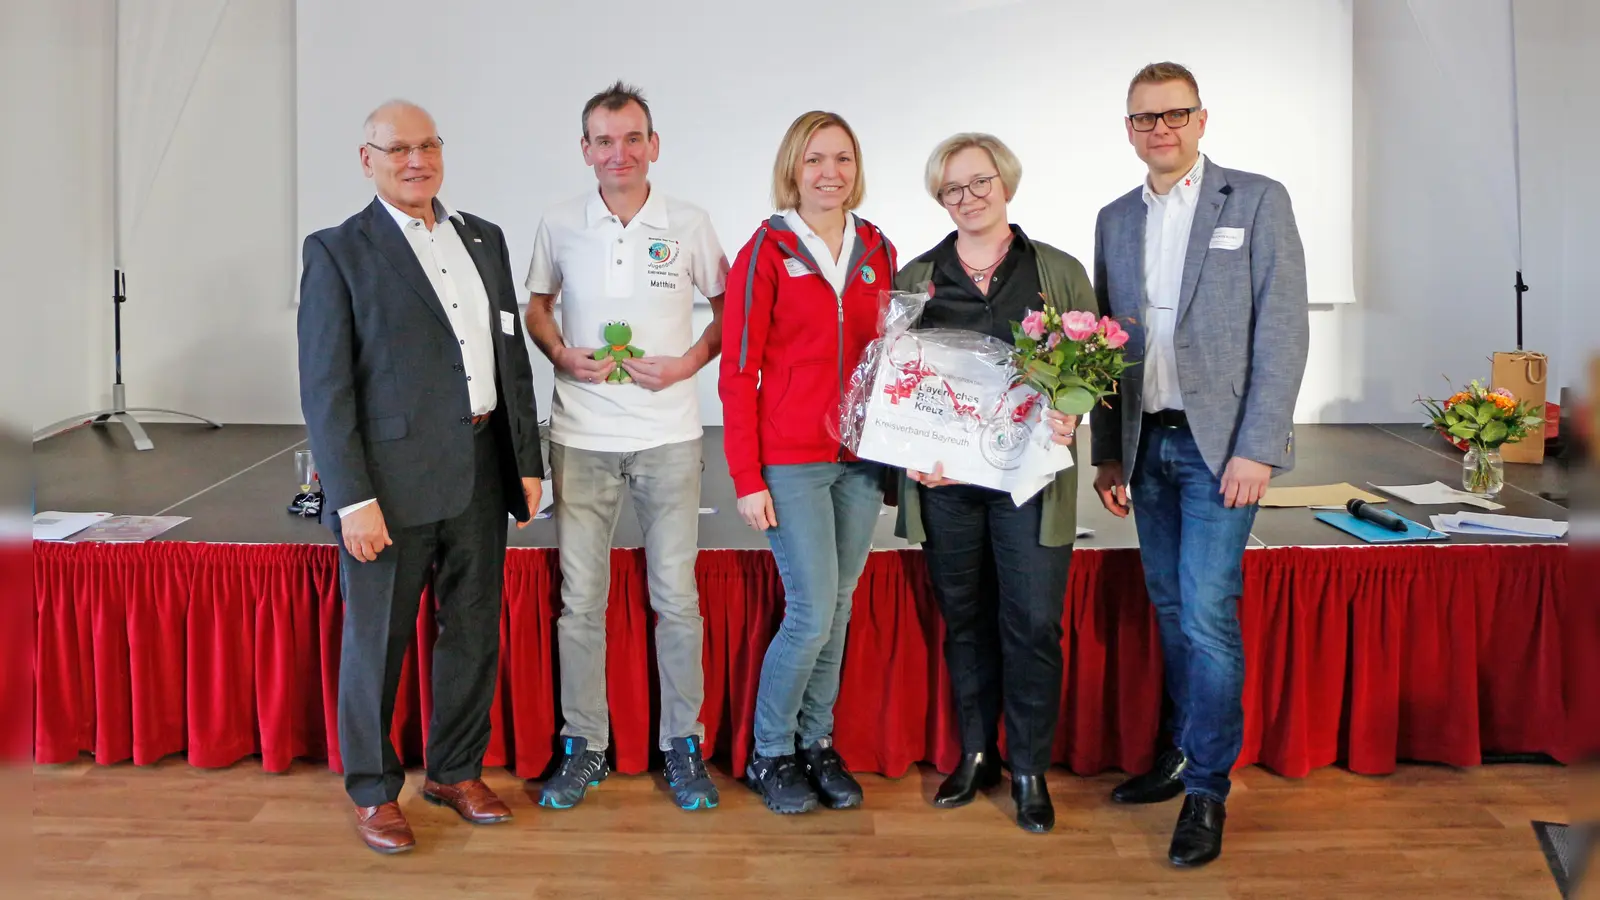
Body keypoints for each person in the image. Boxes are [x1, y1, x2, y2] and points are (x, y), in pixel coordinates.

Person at [297, 100, 544, 854]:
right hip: (389, 483)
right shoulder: (339, 250)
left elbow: (511, 360)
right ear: (365, 159)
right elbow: (326, 388)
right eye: (398, 147)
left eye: (429, 144)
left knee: (470, 630)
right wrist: (353, 499)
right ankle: (374, 790)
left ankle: (454, 769)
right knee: (378, 640)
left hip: (479, 465)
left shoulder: (485, 239)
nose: (417, 160)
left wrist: (525, 461)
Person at [1090, 62, 1309, 867]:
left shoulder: (1255, 200)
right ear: (1129, 130)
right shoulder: (1116, 218)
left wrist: (1257, 446)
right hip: (1147, 446)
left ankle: (1208, 792)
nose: (1161, 130)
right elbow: (1106, 348)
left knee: (1209, 613)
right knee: (1173, 609)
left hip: (1223, 452)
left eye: (1174, 115)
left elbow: (1282, 333)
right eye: (1145, 119)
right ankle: (1184, 753)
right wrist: (1107, 453)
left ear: (1201, 119)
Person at [523, 82, 729, 812]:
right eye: (604, 140)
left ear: (654, 145)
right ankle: (586, 747)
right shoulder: (559, 223)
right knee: (581, 600)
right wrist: (557, 353)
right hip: (580, 437)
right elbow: (537, 306)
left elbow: (732, 311)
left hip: (670, 436)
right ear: (586, 150)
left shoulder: (690, 223)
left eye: (633, 137)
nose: (619, 152)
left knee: (676, 597)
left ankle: (684, 747)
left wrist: (686, 365)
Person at [891, 133, 1093, 834]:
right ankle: (977, 752)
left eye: (980, 183)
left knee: (1033, 623)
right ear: (939, 198)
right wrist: (908, 450)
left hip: (1029, 482)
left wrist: (1073, 416)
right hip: (946, 484)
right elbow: (899, 383)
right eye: (953, 189)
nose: (968, 198)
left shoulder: (1057, 272)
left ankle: (1030, 766)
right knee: (966, 619)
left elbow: (1090, 371)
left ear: (1006, 183)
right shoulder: (917, 276)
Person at [720, 110, 897, 815]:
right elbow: (738, 372)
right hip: (789, 461)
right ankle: (771, 752)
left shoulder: (878, 247)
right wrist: (745, 476)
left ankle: (817, 743)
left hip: (858, 459)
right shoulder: (765, 249)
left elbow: (895, 359)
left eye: (843, 159)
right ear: (794, 167)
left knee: (842, 606)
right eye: (816, 159)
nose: (831, 173)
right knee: (812, 611)